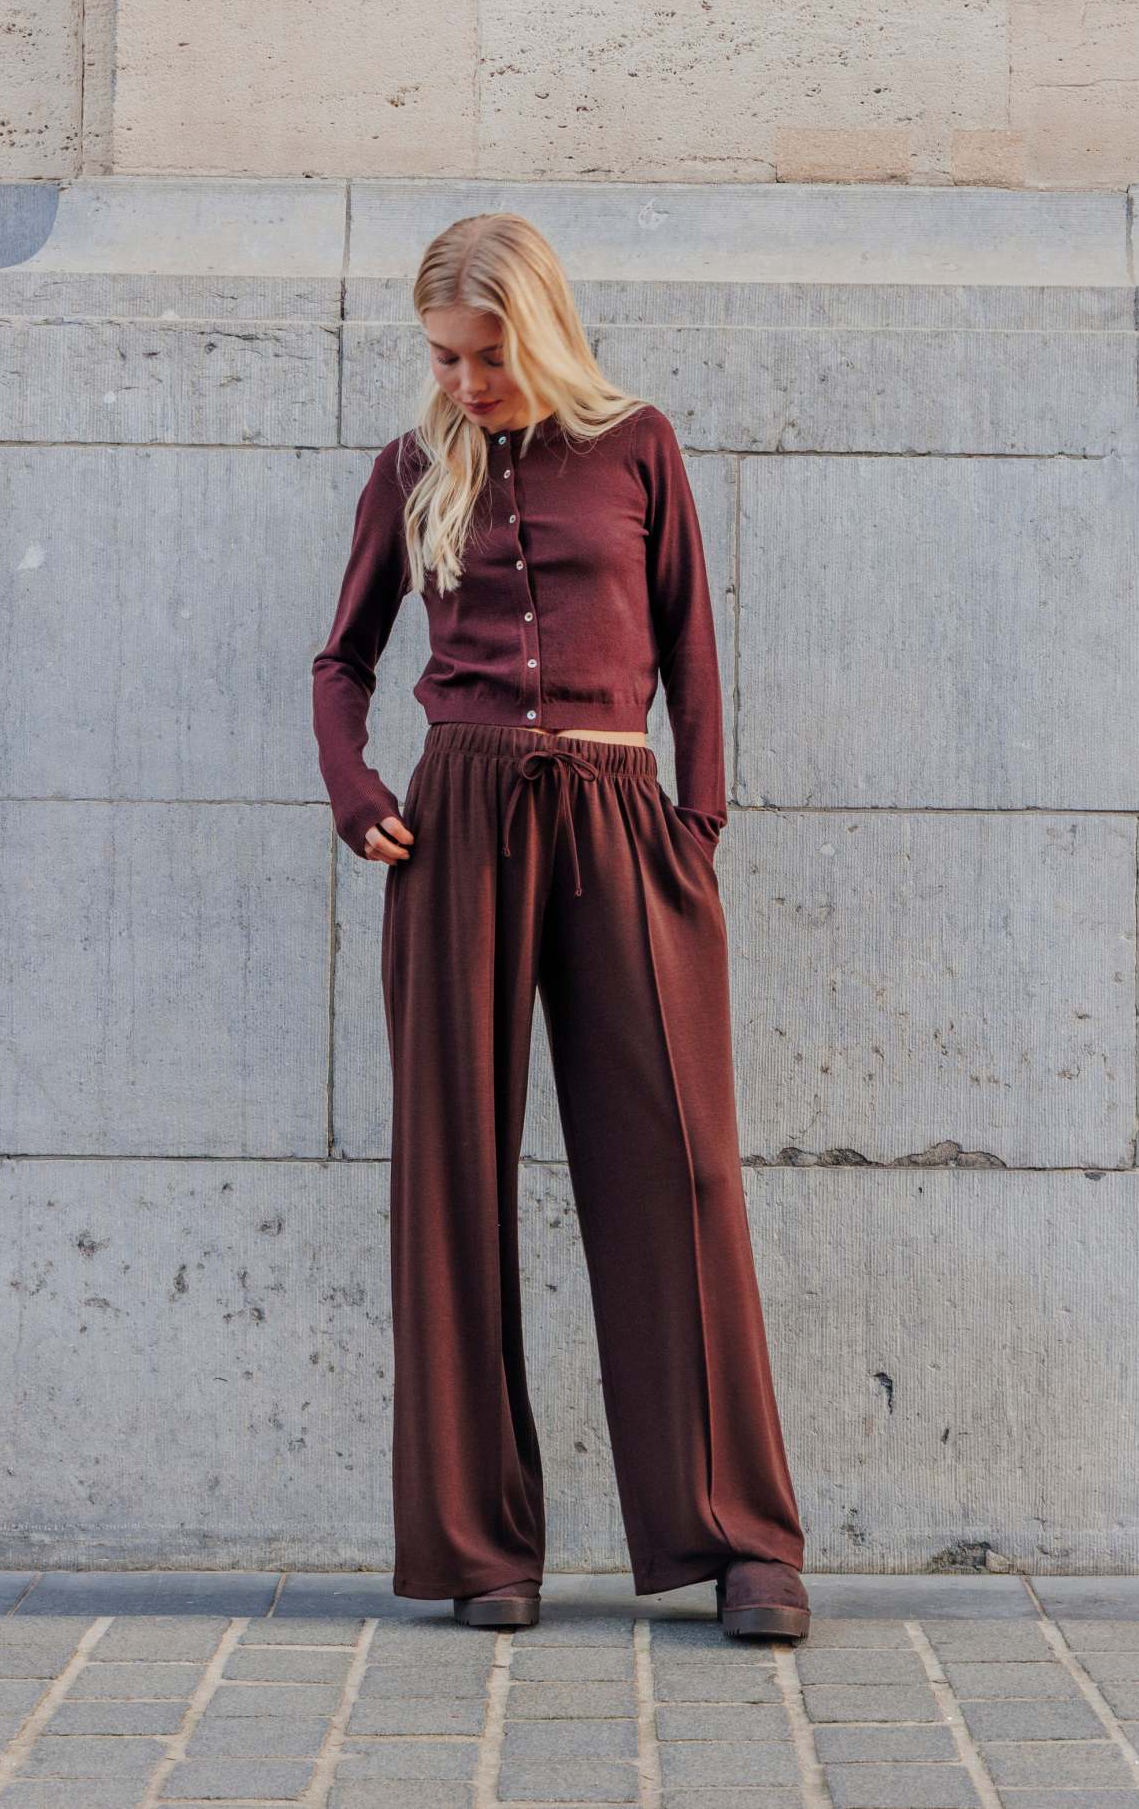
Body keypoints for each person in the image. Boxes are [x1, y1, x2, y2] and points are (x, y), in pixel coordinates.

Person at [311, 211, 809, 1642]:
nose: (465, 382)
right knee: (452, 1176)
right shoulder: (411, 470)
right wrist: (354, 791)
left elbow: (690, 643)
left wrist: (695, 825)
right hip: (456, 822)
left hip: (619, 814)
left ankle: (740, 1538)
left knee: (677, 1170)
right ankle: (483, 1549)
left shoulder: (638, 446)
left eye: (487, 354)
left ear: (540, 330)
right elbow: (343, 658)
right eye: (443, 357)